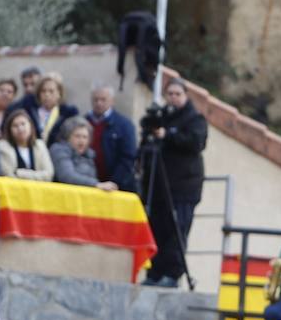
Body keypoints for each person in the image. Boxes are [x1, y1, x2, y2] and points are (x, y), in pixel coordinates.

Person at [141, 78, 208, 288]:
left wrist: (168, 135)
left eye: (177, 94)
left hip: (183, 187)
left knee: (176, 231)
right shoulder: (163, 116)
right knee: (157, 228)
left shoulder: (195, 118)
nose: (173, 98)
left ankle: (173, 273)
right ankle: (154, 272)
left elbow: (195, 142)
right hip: (160, 186)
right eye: (169, 94)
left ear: (185, 96)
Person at [86, 84, 138, 193]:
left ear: (112, 101)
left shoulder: (124, 125)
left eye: (103, 99)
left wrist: (114, 183)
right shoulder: (84, 122)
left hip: (115, 186)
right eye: (95, 100)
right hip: (90, 184)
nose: (99, 103)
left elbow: (128, 157)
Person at [49, 117, 115, 190]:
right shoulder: (58, 149)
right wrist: (96, 184)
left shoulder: (89, 155)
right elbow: (67, 176)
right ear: (67, 137)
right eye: (77, 136)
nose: (81, 141)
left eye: (85, 137)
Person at [0, 108, 53, 182]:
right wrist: (36, 175)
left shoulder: (40, 145)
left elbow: (49, 175)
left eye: (23, 124)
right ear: (9, 130)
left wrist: (20, 173)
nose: (20, 128)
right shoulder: (2, 147)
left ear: (30, 126)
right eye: (15, 126)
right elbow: (9, 176)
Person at [21, 73, 77, 146]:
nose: (47, 94)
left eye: (51, 91)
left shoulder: (68, 114)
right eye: (43, 91)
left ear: (59, 94)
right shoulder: (29, 112)